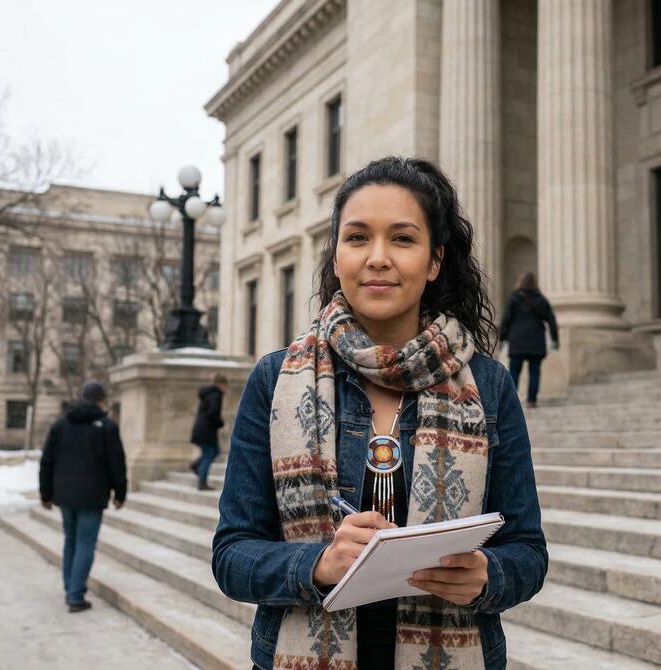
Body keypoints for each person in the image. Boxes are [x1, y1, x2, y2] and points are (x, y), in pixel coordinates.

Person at [212, 157, 548, 670]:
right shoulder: (275, 379)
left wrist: (488, 575)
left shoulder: (490, 386)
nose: (377, 258)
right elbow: (232, 555)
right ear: (336, 255)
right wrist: (319, 563)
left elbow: (527, 550)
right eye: (357, 237)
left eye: (402, 239)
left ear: (434, 261)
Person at [39, 380, 127, 613]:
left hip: (65, 495)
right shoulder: (107, 427)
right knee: (85, 543)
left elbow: (47, 460)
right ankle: (75, 595)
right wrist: (120, 493)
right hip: (92, 495)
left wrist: (45, 493)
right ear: (100, 401)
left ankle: (71, 588)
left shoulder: (60, 424)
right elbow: (116, 463)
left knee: (71, 540)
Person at [499, 272, 559, 407]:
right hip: (536, 343)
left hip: (517, 342)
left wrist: (502, 338)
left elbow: (506, 320)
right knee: (534, 372)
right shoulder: (541, 300)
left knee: (514, 372)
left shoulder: (514, 299)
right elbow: (551, 320)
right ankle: (532, 400)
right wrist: (555, 340)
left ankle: (511, 402)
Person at [189, 372, 228, 490]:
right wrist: (220, 423)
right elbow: (212, 413)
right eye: (225, 385)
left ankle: (196, 465)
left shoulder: (208, 394)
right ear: (221, 384)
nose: (226, 388)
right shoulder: (216, 395)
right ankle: (202, 482)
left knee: (213, 451)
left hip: (201, 429)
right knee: (210, 453)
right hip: (207, 431)